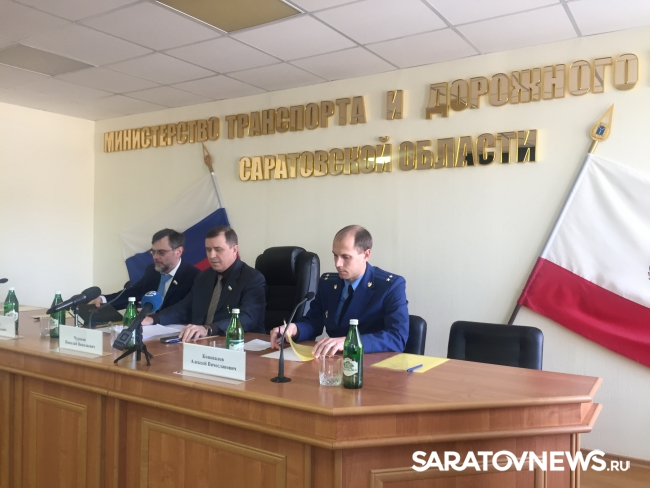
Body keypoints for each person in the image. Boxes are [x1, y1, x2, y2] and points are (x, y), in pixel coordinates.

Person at [270, 225, 409, 356]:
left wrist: (350, 342)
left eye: (345, 257)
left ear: (366, 255)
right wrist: (295, 329)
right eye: (335, 255)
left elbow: (397, 337)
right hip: (334, 360)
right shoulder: (328, 283)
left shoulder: (390, 286)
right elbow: (314, 321)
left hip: (370, 362)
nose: (338, 264)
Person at [142, 226, 266, 342]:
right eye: (208, 250)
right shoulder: (203, 277)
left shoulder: (252, 278)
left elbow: (248, 317)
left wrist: (208, 329)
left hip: (237, 342)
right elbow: (184, 308)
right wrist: (153, 319)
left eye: (218, 250)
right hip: (201, 342)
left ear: (234, 250)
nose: (211, 256)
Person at [90, 229, 199, 311]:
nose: (155, 257)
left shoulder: (193, 276)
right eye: (153, 252)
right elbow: (133, 293)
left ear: (178, 252)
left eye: (161, 252)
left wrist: (155, 317)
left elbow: (184, 311)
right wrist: (103, 300)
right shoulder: (152, 271)